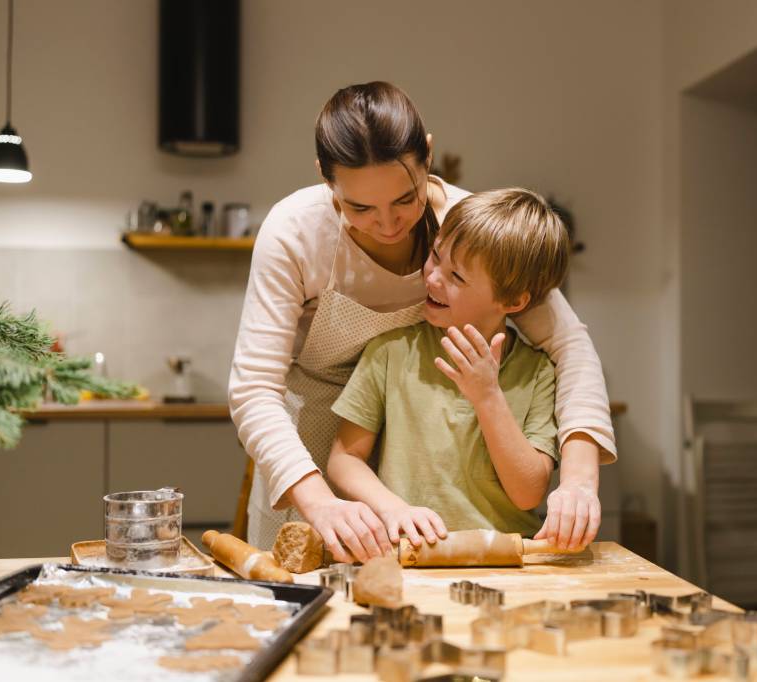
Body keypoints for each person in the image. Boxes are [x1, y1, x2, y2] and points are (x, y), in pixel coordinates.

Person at [228, 81, 616, 562]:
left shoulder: (467, 230)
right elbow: (253, 389)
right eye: (359, 207)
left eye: (405, 199)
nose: (389, 226)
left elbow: (570, 346)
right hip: (309, 438)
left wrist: (578, 482)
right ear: (326, 179)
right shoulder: (294, 231)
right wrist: (320, 501)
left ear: (427, 156)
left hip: (416, 438)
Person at [327, 189, 567, 544]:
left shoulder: (538, 373)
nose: (433, 278)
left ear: (513, 301)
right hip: (411, 555)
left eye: (457, 277)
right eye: (436, 256)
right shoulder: (390, 353)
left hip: (507, 562)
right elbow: (344, 459)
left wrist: (488, 397)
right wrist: (394, 509)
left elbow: (528, 493)